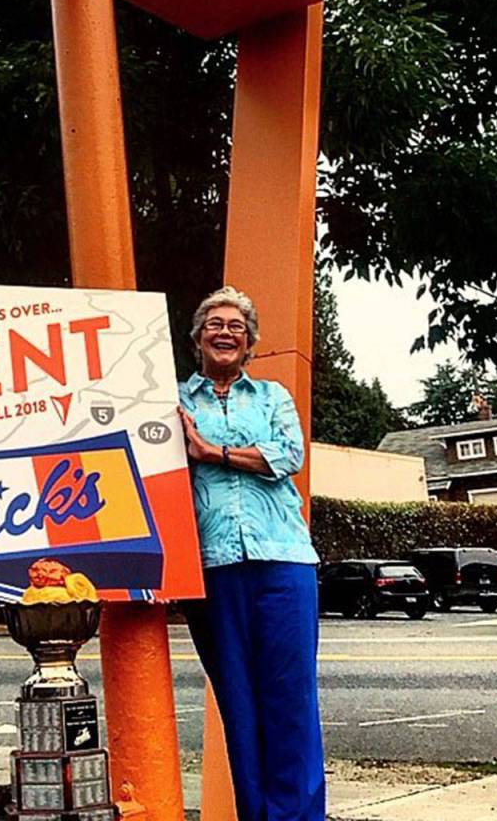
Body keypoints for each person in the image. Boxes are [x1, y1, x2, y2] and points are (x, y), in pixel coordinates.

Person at [178, 285, 324, 821]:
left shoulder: (272, 398)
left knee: (291, 702)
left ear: (250, 343)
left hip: (283, 560)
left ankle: (301, 816)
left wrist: (209, 452)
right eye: (214, 323)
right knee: (238, 706)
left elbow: (288, 455)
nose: (224, 332)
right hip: (212, 566)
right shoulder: (172, 400)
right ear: (197, 339)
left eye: (236, 326)